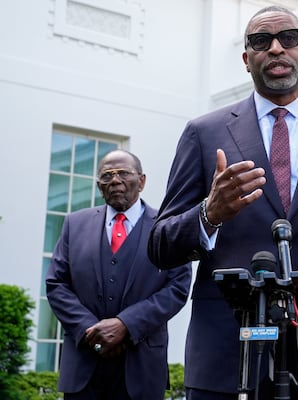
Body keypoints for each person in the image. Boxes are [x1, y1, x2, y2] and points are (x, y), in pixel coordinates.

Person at [147, 5, 298, 400]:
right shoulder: (203, 133)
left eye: (289, 38)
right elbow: (160, 246)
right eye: (261, 41)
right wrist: (208, 215)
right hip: (228, 355)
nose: (277, 48)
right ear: (247, 60)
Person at [46, 149, 192, 400]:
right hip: (83, 367)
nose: (115, 180)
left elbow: (177, 287)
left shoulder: (168, 227)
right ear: (98, 185)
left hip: (142, 366)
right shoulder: (74, 224)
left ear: (142, 181)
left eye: (123, 173)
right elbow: (56, 284)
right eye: (107, 176)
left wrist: (127, 324)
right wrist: (90, 330)